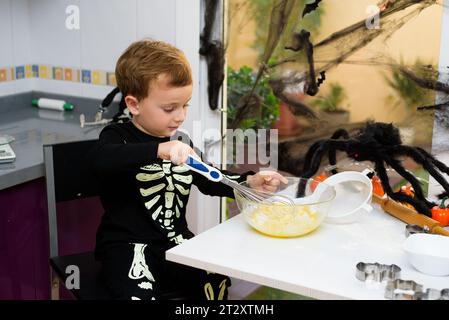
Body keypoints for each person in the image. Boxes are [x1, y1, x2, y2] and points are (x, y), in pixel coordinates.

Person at [90, 39, 288, 300]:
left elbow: (210, 177)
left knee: (215, 279)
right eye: (170, 108)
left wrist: (248, 182)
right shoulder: (116, 137)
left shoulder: (180, 141)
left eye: (185, 105)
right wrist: (158, 150)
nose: (180, 116)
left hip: (176, 242)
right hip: (128, 246)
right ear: (134, 105)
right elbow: (102, 159)